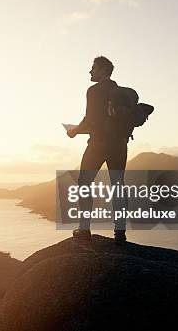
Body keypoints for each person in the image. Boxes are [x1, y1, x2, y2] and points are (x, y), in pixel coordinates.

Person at [67, 56, 128, 244]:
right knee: (118, 185)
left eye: (93, 68)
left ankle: (84, 229)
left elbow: (90, 119)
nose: (90, 72)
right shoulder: (119, 91)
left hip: (98, 144)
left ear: (102, 70)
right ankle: (120, 233)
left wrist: (74, 131)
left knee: (84, 183)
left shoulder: (93, 91)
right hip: (119, 144)